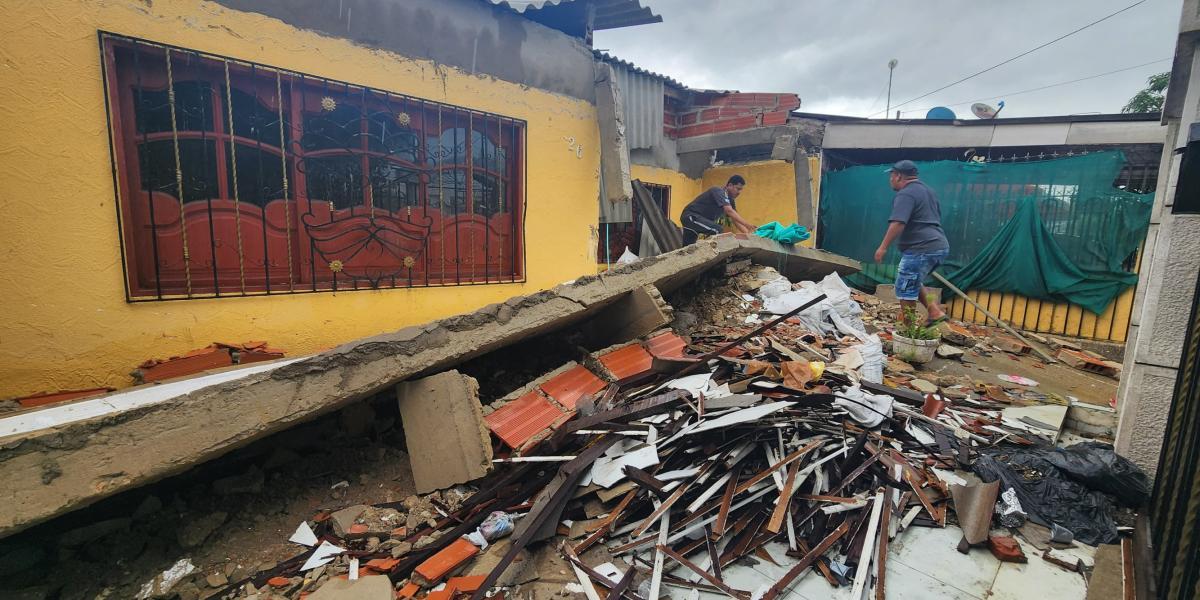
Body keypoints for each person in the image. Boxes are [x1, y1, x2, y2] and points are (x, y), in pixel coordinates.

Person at [874, 160, 950, 325]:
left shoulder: (906, 194)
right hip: (939, 246)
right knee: (914, 280)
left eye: (891, 176)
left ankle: (908, 329)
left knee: (905, 286)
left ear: (899, 176)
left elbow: (898, 222)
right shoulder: (928, 191)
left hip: (921, 248)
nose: (890, 179)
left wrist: (883, 247)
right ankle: (935, 311)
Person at [679, 175, 756, 245]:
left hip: (695, 220)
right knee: (717, 230)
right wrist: (748, 225)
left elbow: (735, 220)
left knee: (688, 250)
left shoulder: (730, 200)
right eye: (738, 189)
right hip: (691, 216)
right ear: (730, 185)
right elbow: (729, 211)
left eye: (741, 190)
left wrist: (749, 235)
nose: (739, 192)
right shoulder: (718, 191)